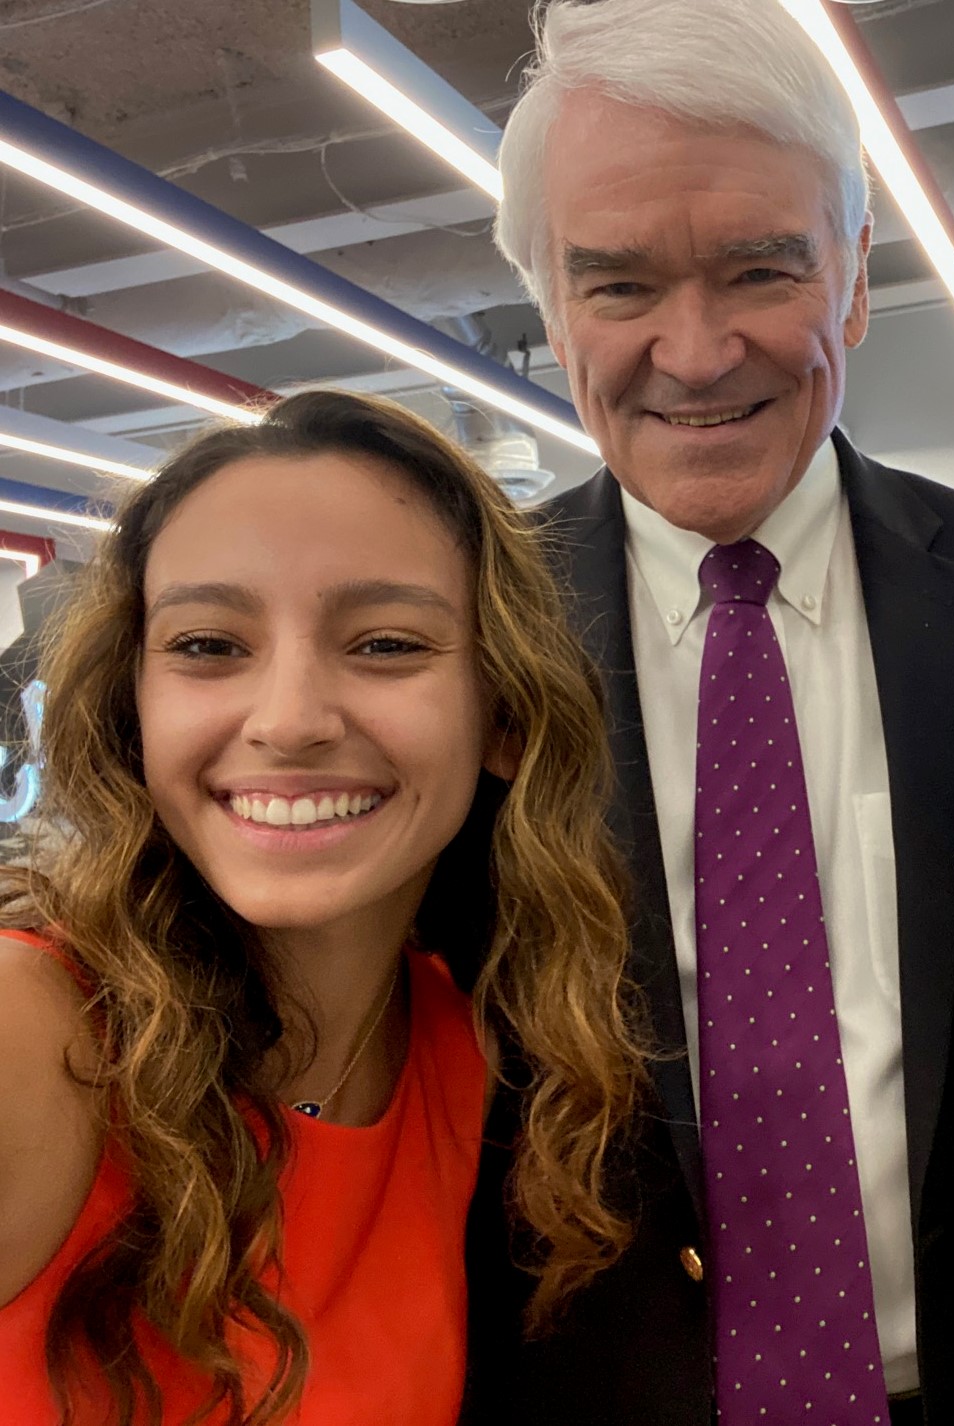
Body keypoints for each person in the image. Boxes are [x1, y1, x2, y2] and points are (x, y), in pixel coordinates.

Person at [467, 2, 954, 1423]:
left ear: (853, 277)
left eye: (760, 268)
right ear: (549, 309)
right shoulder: (460, 638)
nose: (698, 349)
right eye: (615, 287)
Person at [0, 390, 644, 1425]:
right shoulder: (33, 1036)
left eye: (387, 643)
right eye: (209, 645)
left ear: (507, 715)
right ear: (131, 708)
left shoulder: (468, 1051)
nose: (291, 720)